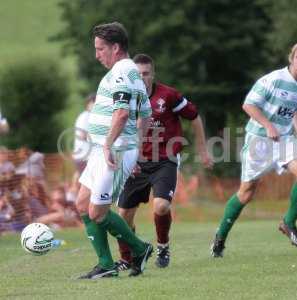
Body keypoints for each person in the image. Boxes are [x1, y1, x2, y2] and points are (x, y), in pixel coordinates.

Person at [211, 40, 297, 257]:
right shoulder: (274, 79)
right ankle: (220, 237)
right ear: (291, 58)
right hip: (259, 141)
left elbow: (293, 107)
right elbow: (248, 104)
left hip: (285, 140)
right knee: (246, 193)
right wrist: (268, 125)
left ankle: (288, 223)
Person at [115, 54, 213, 270]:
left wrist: (202, 149)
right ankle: (127, 258)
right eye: (138, 74)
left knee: (161, 206)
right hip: (136, 162)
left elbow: (194, 116)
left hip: (164, 160)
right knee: (123, 217)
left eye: (146, 73)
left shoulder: (168, 95)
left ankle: (162, 246)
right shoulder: (126, 98)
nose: (142, 77)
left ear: (153, 74)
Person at [75, 22, 153, 279]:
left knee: (97, 212)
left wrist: (113, 145)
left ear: (116, 47)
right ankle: (106, 265)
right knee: (82, 203)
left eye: (100, 49)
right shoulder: (131, 73)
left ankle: (139, 250)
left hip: (113, 151)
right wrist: (138, 150)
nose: (97, 55)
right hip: (107, 150)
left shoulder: (122, 72)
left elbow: (121, 114)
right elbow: (145, 117)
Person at [73, 93, 96, 174]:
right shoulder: (87, 116)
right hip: (85, 156)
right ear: (88, 104)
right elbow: (82, 135)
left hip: (81, 156)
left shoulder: (84, 115)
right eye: (93, 102)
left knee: (80, 181)